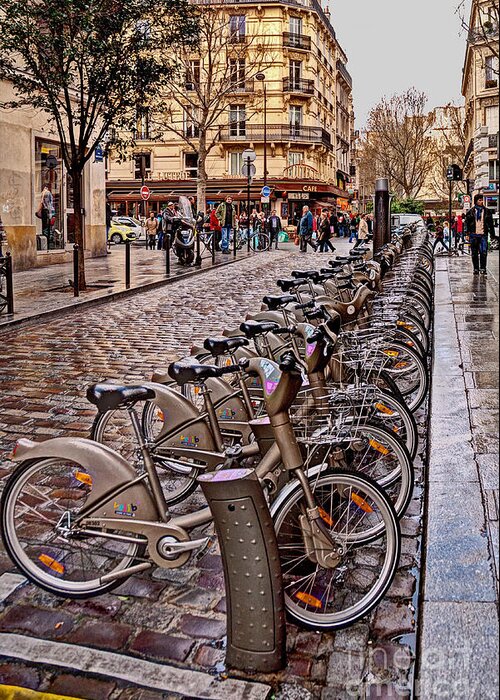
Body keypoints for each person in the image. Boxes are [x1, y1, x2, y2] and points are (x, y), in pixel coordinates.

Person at [465, 193, 496, 275]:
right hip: (473, 235)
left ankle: (483, 268)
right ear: (476, 201)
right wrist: (467, 234)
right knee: (474, 253)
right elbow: (467, 223)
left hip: (483, 235)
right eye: (480, 200)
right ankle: (476, 268)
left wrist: (492, 235)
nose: (481, 202)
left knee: (483, 252)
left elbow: (491, 224)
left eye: (482, 200)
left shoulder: (487, 211)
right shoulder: (470, 212)